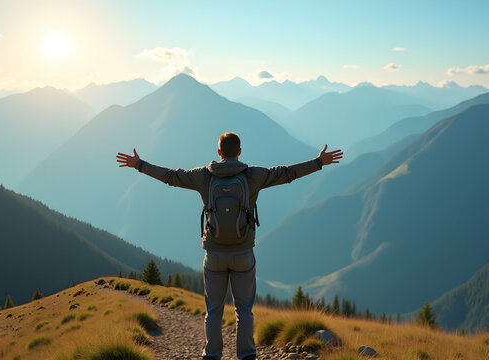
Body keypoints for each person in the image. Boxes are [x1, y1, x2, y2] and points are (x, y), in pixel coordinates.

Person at [116, 132, 343, 360]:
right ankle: (246, 355)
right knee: (243, 310)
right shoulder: (253, 175)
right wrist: (318, 162)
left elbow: (171, 177)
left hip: (214, 253)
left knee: (213, 310)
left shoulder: (204, 176)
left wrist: (139, 164)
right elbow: (287, 174)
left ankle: (212, 355)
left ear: (219, 152)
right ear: (240, 152)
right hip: (243, 251)